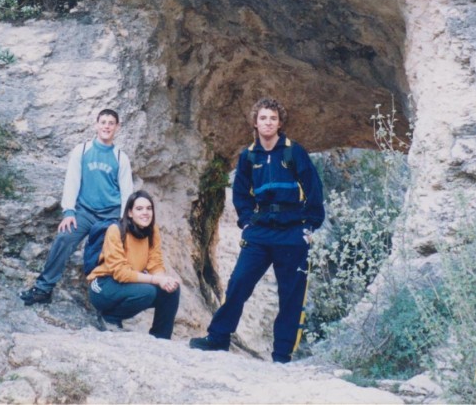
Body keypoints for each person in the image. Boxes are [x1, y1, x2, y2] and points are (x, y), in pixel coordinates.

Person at [189, 97, 325, 363]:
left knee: (291, 294)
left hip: (292, 233)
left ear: (280, 122)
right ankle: (218, 338)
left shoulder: (293, 152)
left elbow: (314, 189)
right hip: (259, 233)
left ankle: (282, 355)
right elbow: (240, 193)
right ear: (255, 122)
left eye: (273, 118)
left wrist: (309, 226)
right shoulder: (249, 156)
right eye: (263, 118)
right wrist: (247, 222)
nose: (268, 122)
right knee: (239, 283)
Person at [20, 109, 134, 305]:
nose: (107, 126)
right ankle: (43, 289)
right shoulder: (82, 150)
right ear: (96, 125)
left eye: (111, 123)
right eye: (103, 122)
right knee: (64, 238)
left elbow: (127, 193)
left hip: (110, 215)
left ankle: (106, 302)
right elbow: (72, 182)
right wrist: (69, 211)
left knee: (108, 254)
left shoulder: (120, 158)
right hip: (84, 212)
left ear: (117, 127)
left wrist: (124, 222)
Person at [87, 189, 180, 338]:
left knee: (172, 289)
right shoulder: (115, 230)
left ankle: (161, 337)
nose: (145, 212)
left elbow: (155, 264)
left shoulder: (152, 231)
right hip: (103, 286)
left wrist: (164, 280)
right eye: (139, 208)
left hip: (125, 284)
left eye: (149, 208)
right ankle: (110, 318)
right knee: (148, 292)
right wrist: (156, 280)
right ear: (130, 212)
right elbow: (120, 273)